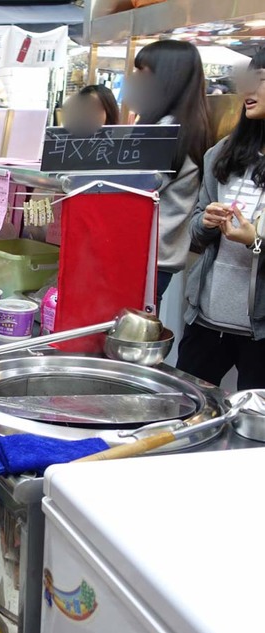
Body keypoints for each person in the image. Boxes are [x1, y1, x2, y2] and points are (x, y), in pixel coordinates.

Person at [176, 50, 265, 390]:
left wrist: (256, 241)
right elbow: (196, 231)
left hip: (260, 331)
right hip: (206, 318)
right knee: (187, 405)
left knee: (254, 418)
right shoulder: (222, 153)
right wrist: (206, 222)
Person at [126, 40, 212, 303]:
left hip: (144, 256)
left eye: (142, 74)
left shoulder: (165, 130)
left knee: (128, 325)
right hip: (157, 257)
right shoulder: (187, 125)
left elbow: (132, 186)